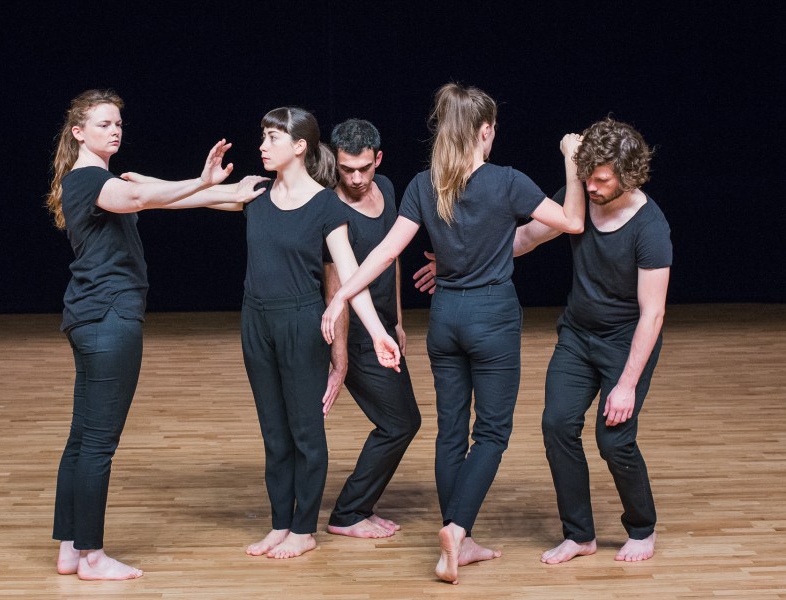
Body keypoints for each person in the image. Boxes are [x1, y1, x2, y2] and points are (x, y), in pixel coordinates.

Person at [321, 82, 585, 584]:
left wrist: (340, 295)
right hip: (493, 317)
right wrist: (571, 162)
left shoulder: (423, 184)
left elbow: (385, 254)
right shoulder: (506, 180)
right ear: (485, 131)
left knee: (450, 433)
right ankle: (457, 529)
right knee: (492, 432)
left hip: (445, 319)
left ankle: (457, 541)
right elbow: (572, 221)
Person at [46, 89, 265, 580]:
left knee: (82, 438)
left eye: (118, 124)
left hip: (92, 316)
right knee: (98, 443)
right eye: (104, 124)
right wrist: (204, 181)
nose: (115, 131)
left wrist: (228, 193)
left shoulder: (100, 181)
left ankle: (70, 548)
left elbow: (165, 198)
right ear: (78, 132)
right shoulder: (88, 180)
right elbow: (144, 197)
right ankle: (92, 556)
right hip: (108, 318)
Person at [237, 107, 401, 559]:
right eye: (263, 137)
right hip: (256, 322)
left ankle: (303, 529)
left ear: (299, 146)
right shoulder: (254, 192)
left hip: (300, 323)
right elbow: (190, 197)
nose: (262, 146)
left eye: (272, 138)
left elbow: (351, 276)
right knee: (274, 434)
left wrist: (379, 332)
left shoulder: (327, 205)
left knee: (305, 432)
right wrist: (147, 187)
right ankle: (279, 524)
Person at [512, 117, 671, 564]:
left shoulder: (650, 227)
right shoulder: (580, 197)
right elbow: (525, 238)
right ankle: (579, 534)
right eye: (587, 177)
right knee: (557, 425)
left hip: (625, 342)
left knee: (614, 440)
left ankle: (642, 527)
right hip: (577, 336)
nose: (592, 187)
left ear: (629, 175)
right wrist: (462, 260)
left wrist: (626, 385)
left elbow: (653, 313)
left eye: (601, 179)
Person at [322, 119, 421, 539]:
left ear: (378, 159)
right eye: (347, 169)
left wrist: (397, 322)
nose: (356, 178)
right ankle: (348, 513)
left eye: (364, 168)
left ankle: (357, 508)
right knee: (399, 423)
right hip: (354, 333)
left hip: (382, 329)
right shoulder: (330, 208)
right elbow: (336, 285)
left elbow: (390, 258)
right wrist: (340, 358)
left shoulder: (388, 188)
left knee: (403, 422)